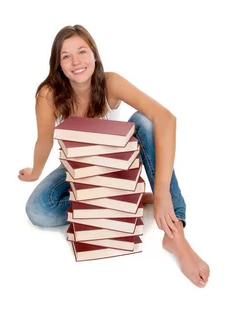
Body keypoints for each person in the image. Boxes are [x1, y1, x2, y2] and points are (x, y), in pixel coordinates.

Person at [19, 24, 210, 287]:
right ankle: (126, 200)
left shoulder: (111, 83)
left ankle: (176, 234)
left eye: (82, 52)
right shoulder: (48, 94)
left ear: (94, 55)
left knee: (146, 121)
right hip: (81, 168)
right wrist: (36, 171)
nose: (76, 62)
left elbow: (166, 119)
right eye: (66, 56)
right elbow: (44, 140)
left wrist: (163, 192)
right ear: (58, 64)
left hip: (119, 162)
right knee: (38, 210)